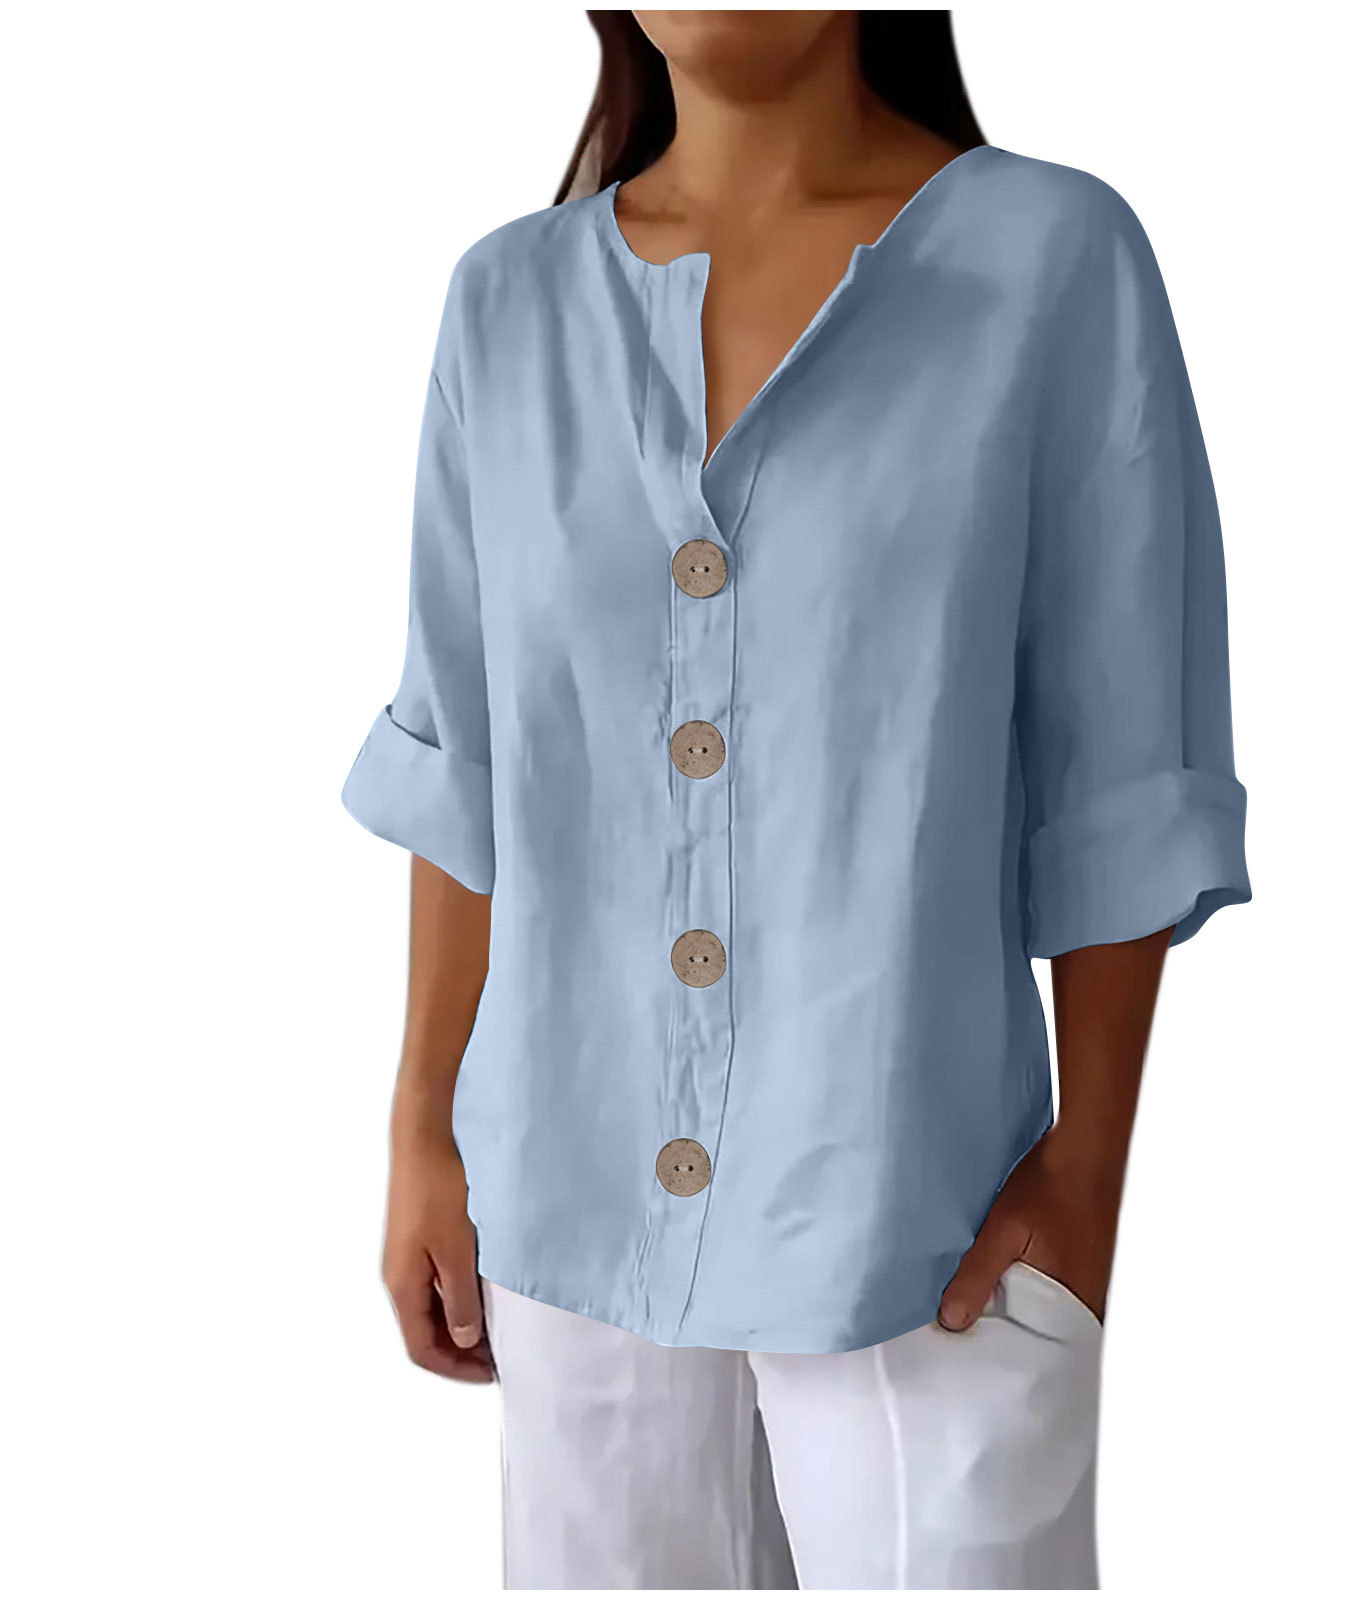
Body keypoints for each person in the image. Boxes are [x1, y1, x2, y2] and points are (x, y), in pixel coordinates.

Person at [342, 9, 1251, 1589]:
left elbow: (1123, 767)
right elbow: (470, 754)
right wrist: (424, 1125)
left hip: (923, 1206)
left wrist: (1088, 1178)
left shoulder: (1052, 265)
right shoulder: (508, 305)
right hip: (568, 1199)